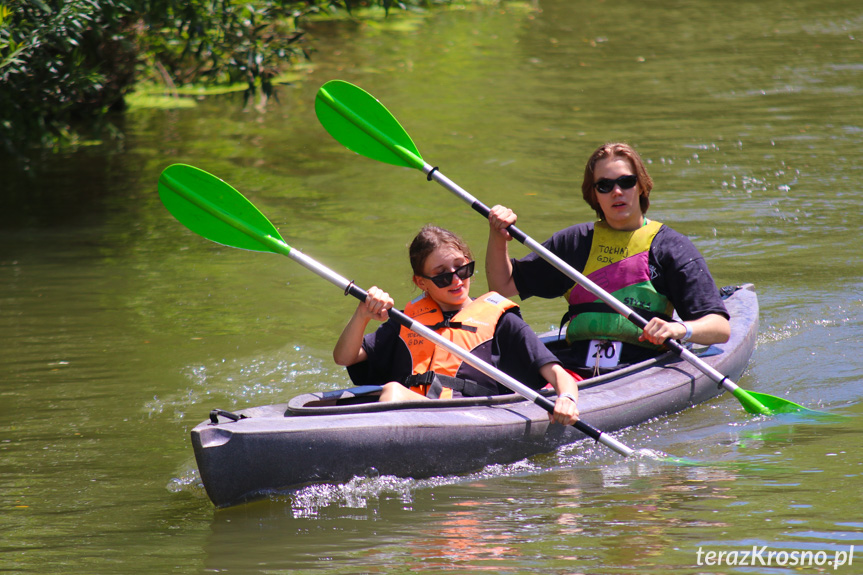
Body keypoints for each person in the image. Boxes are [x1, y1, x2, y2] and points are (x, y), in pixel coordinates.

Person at [486, 142, 730, 374]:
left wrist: (678, 328)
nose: (616, 191)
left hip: (644, 364)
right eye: (604, 185)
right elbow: (502, 287)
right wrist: (498, 234)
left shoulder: (671, 247)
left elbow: (720, 328)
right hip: (575, 363)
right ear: (594, 195)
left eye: (626, 182)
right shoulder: (574, 243)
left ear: (641, 186)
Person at [333, 224, 579, 426]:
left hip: (470, 420)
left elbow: (558, 374)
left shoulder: (502, 320)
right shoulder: (408, 322)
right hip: (414, 417)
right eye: (442, 275)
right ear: (421, 282)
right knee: (393, 392)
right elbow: (345, 356)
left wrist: (566, 398)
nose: (456, 280)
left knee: (393, 392)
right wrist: (362, 314)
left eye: (462, 268)